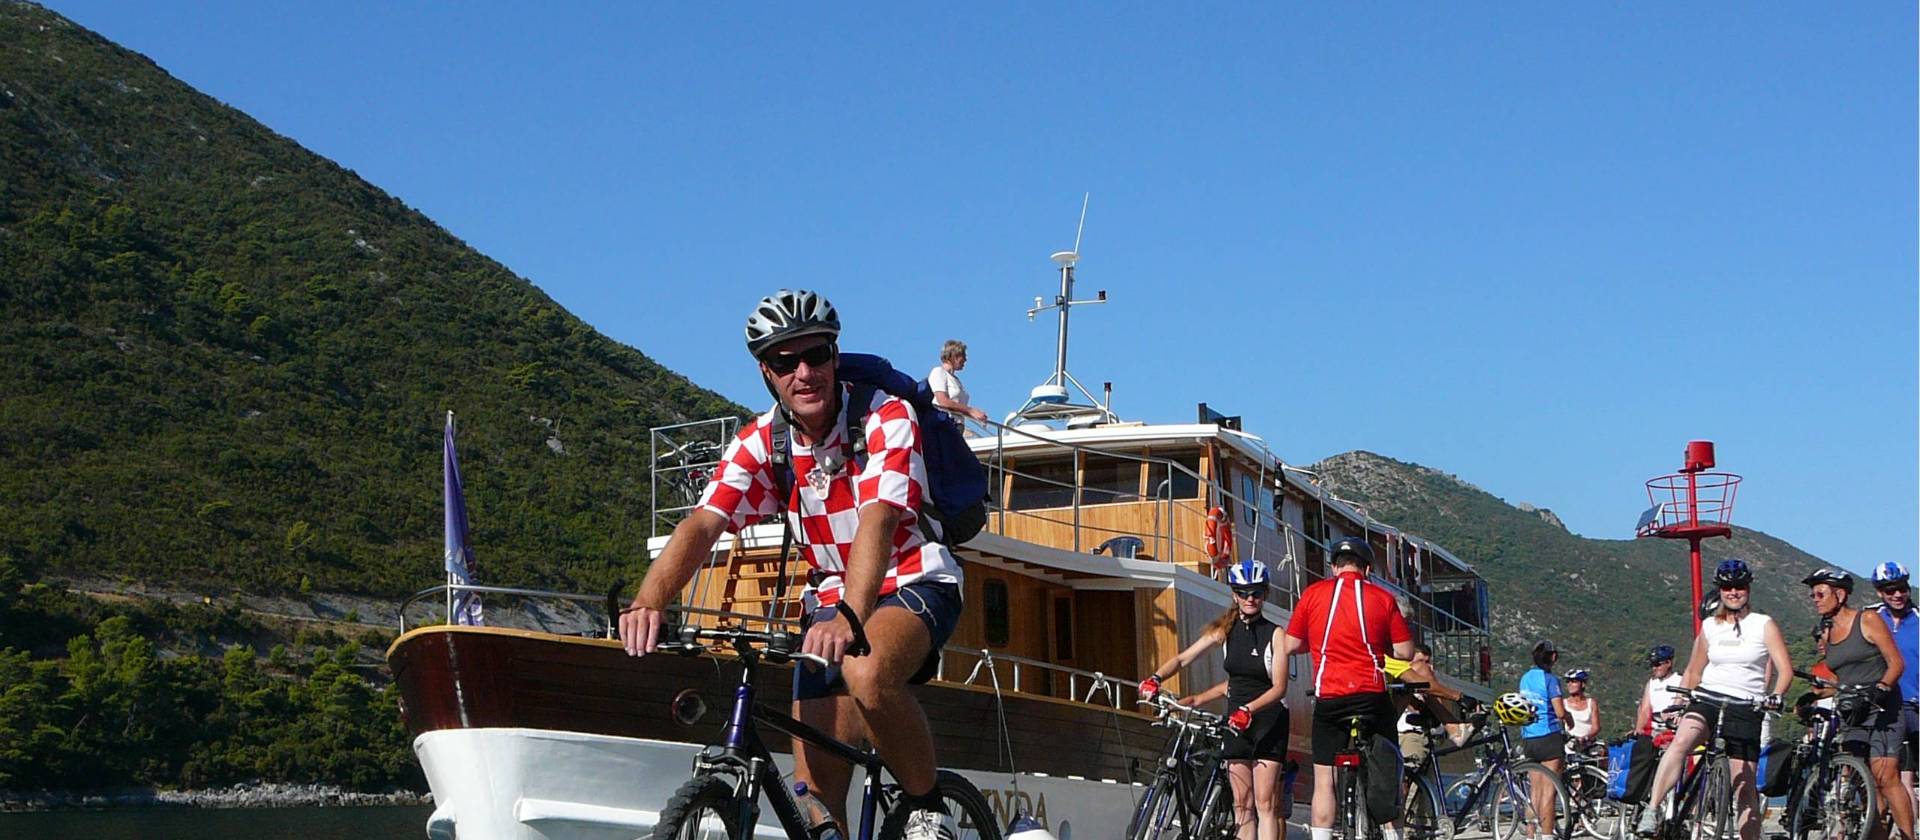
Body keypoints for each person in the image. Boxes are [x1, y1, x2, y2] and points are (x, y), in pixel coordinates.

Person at [619, 290, 965, 840]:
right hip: (830, 601)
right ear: (766, 371)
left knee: (867, 672)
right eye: (786, 361)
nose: (805, 373)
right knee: (818, 800)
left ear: (835, 355)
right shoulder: (762, 441)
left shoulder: (884, 416)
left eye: (817, 355)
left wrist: (850, 615)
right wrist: (650, 602)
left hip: (912, 576)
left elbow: (878, 519)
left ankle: (927, 808)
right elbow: (704, 523)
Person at [1637, 559, 1792, 840]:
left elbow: (1785, 670)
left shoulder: (1763, 624)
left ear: (1748, 589)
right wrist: (1682, 700)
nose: (1733, 592)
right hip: (1708, 698)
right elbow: (1695, 669)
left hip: (1747, 706)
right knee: (1682, 741)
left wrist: (1776, 696)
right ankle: (1653, 808)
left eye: (1739, 586)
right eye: (1727, 587)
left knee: (1745, 789)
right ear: (1720, 590)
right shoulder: (1709, 626)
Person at [1139, 559, 1290, 840]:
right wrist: (1155, 678)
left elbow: (1280, 687)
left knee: (1265, 803)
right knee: (1241, 804)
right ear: (1234, 595)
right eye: (1243, 592)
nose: (1250, 599)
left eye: (1256, 592)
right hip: (1237, 721)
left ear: (1265, 594)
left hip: (1268, 719)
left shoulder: (1276, 634)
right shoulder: (1225, 630)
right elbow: (1184, 658)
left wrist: (1249, 709)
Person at [1279, 536, 1415, 840]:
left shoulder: (1313, 594)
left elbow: (1290, 645)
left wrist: (1317, 642)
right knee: (1388, 770)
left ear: (1332, 567)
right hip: (1371, 696)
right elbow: (1406, 652)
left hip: (1329, 697)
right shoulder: (1382, 598)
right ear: (1366, 569)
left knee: (1325, 779)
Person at [1806, 567, 1914, 840]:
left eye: (1820, 593)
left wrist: (1880, 689)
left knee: (1885, 776)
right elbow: (1837, 672)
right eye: (1813, 595)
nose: (1815, 599)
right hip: (1851, 709)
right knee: (1861, 782)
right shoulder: (1826, 631)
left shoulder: (1867, 620)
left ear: (1840, 594)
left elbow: (1896, 663)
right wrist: (1814, 695)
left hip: (1882, 707)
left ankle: (1908, 836)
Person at [1869, 561, 1919, 813]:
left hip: (1913, 707)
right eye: (1890, 590)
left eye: (1901, 588)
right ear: (1879, 592)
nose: (1897, 595)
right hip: (1882, 705)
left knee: (1905, 779)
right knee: (1880, 777)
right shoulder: (1870, 619)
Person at [1518, 640, 1571, 838]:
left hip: (1529, 737)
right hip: (1549, 736)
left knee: (1535, 791)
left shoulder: (1525, 678)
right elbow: (1558, 711)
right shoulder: (1550, 680)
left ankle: (1530, 834)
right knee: (1549, 790)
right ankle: (1547, 835)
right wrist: (1569, 718)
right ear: (1553, 657)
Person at [926, 339, 988, 433]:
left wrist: (976, 415)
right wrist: (970, 411)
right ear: (954, 356)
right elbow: (943, 401)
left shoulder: (956, 380)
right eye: (963, 356)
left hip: (957, 426)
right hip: (945, 424)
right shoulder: (938, 372)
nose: (965, 360)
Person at [1634, 644, 1684, 747]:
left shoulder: (1680, 680)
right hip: (1655, 731)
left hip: (1674, 731)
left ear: (1668, 663)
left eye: (1657, 664)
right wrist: (1638, 730)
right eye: (1652, 665)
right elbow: (1645, 710)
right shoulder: (1652, 683)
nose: (1654, 668)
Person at [1563, 669, 1601, 753]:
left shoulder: (1591, 703)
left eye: (1573, 681)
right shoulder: (1563, 704)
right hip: (1569, 747)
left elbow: (1596, 727)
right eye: (1568, 681)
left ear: (1582, 684)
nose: (1570, 684)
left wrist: (1586, 738)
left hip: (1588, 746)